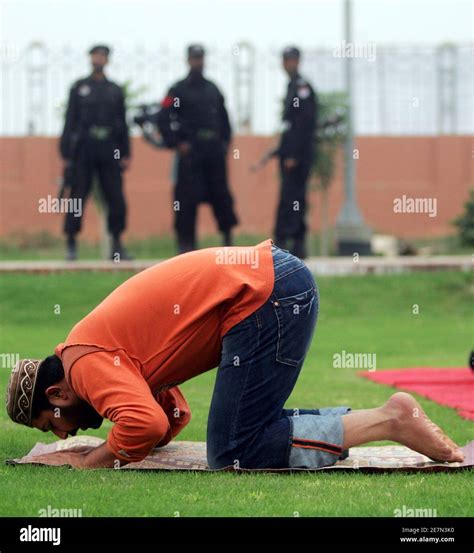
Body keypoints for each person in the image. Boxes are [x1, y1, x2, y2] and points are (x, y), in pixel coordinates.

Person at [6, 240, 464, 469]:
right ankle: (387, 417)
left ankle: (391, 420)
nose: (67, 434)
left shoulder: (83, 365)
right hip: (273, 285)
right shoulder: (93, 352)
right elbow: (165, 420)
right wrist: (120, 443)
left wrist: (93, 460)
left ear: (56, 392)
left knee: (233, 452)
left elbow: (144, 425)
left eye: (54, 424)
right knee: (245, 435)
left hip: (265, 297)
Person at [158, 44, 238, 254]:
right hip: (190, 155)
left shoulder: (213, 89)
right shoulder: (177, 90)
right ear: (188, 60)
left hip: (213, 154)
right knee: (185, 200)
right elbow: (163, 118)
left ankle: (228, 240)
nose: (197, 62)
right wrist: (177, 143)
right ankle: (186, 246)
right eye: (194, 58)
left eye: (200, 58)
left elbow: (225, 121)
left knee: (221, 196)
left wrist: (224, 146)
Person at [59, 44, 132, 261]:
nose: (98, 59)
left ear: (107, 60)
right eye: (95, 55)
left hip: (109, 149)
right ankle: (71, 245)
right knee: (77, 196)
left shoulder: (115, 90)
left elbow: (122, 123)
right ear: (90, 58)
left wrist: (125, 152)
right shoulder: (79, 88)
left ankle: (116, 245)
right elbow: (69, 121)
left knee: (115, 197)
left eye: (102, 56)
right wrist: (66, 153)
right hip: (84, 149)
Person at [274, 46, 317, 259]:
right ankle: (288, 243)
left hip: (297, 157)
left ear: (298, 61)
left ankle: (293, 243)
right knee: (290, 198)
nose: (288, 64)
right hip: (290, 153)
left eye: (292, 60)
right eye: (286, 60)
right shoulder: (292, 86)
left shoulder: (302, 87)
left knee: (293, 199)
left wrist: (293, 154)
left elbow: (304, 123)